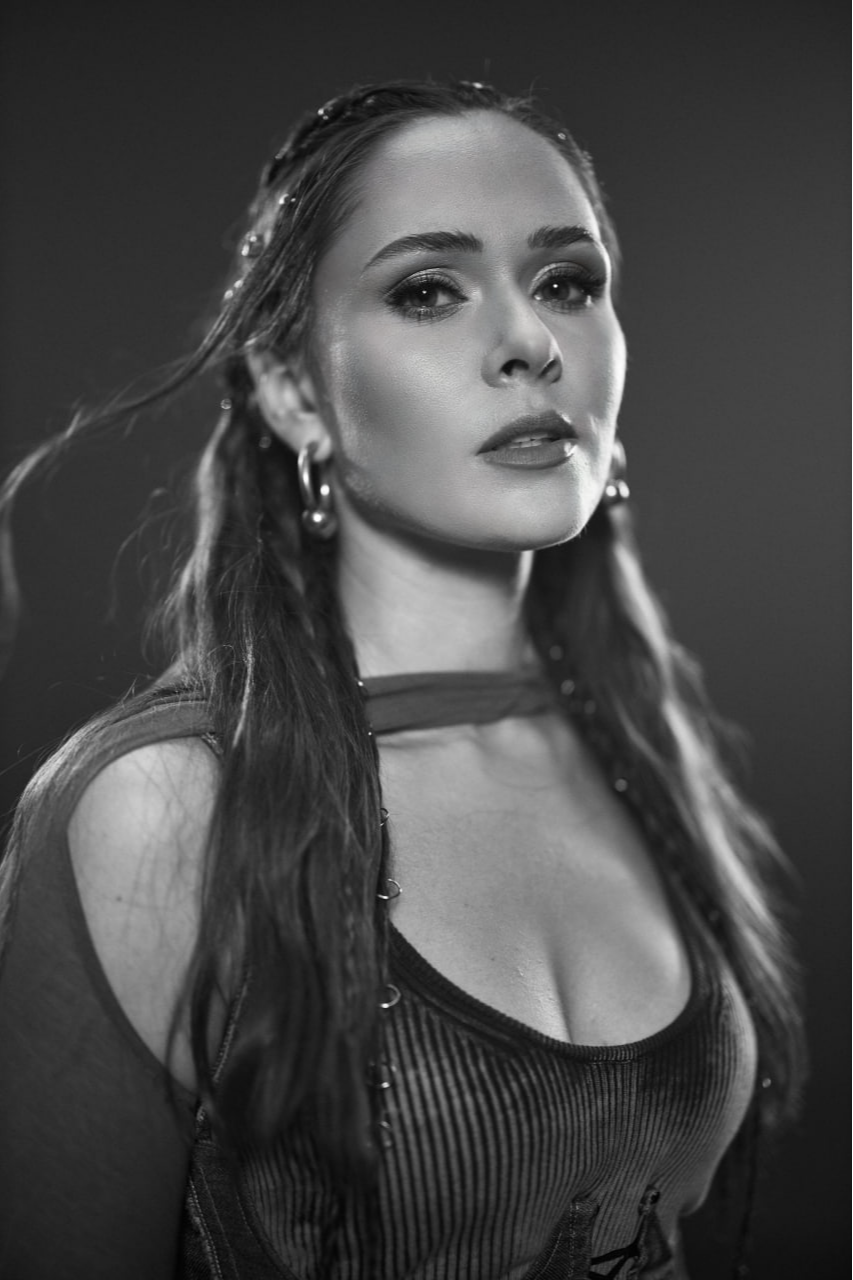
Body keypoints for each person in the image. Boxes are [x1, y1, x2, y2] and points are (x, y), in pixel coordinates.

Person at [0, 79, 804, 1280]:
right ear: (292, 391)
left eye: (566, 281)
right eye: (428, 290)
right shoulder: (164, 811)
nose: (531, 342)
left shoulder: (637, 754)